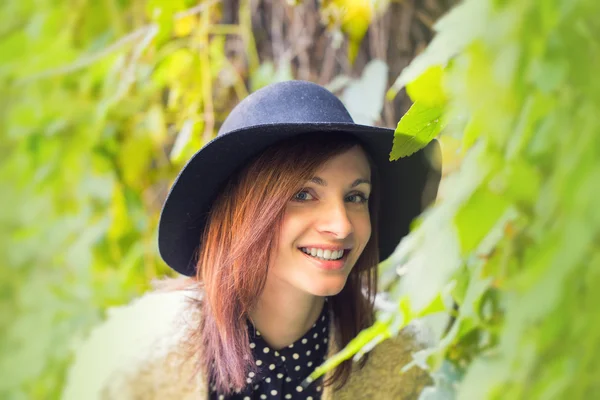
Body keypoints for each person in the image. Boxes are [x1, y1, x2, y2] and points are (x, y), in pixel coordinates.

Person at [62, 80, 441, 400]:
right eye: (304, 194)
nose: (341, 226)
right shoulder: (134, 359)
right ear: (243, 213)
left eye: (355, 197)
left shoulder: (405, 361)